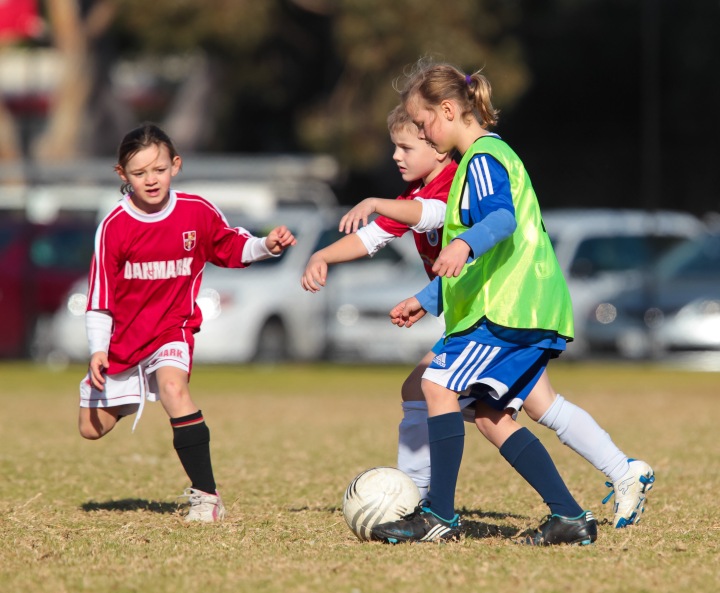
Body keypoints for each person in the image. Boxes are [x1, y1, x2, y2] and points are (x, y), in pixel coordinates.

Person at [304, 105, 654, 537]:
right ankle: (605, 484)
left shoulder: (457, 179)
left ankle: (428, 503)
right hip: (487, 312)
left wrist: (417, 276)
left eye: (406, 146)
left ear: (437, 145)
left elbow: (450, 226)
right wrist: (323, 255)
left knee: (432, 386)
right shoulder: (419, 193)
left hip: (502, 311)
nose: (396, 155)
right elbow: (376, 235)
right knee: (515, 408)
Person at [78, 122, 297, 522]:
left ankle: (206, 496)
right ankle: (131, 395)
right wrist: (97, 349)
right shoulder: (114, 226)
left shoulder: (196, 211)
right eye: (140, 173)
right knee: (90, 429)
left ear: (175, 165)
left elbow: (232, 247)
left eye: (158, 169)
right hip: (125, 341)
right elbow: (99, 298)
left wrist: (267, 245)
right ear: (122, 175)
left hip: (172, 329)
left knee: (174, 388)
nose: (151, 179)